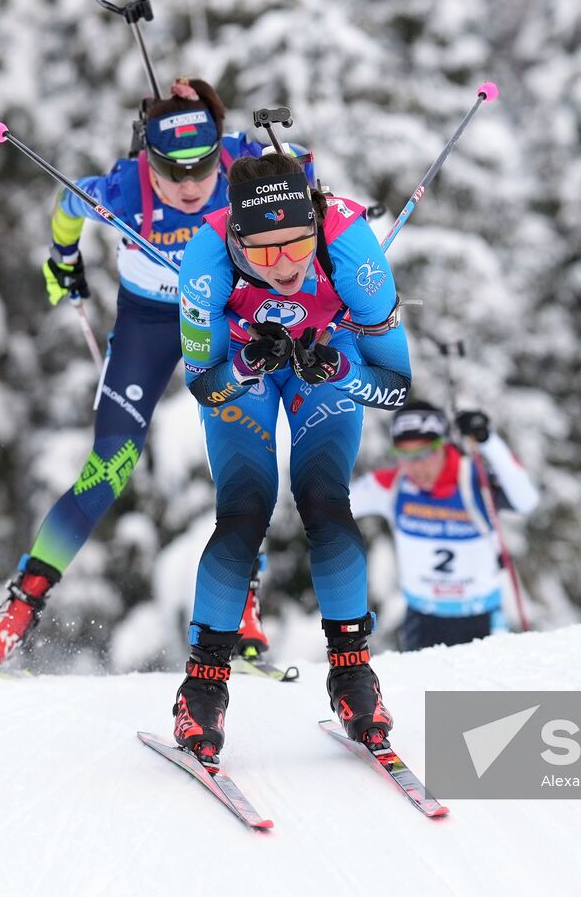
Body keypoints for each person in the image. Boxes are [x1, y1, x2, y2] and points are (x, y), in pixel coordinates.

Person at [0, 78, 284, 670]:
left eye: (202, 170)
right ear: (148, 161)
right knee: (108, 466)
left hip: (221, 318)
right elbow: (66, 208)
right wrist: (64, 260)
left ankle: (242, 602)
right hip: (148, 325)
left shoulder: (246, 166)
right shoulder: (121, 191)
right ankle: (17, 612)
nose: (189, 187)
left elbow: (306, 203)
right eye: (173, 174)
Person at [170, 149, 412, 760]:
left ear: (315, 224)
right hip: (240, 362)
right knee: (245, 508)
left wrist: (336, 370)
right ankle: (202, 688)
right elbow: (203, 382)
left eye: (298, 245)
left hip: (326, 359)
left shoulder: (354, 254)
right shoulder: (205, 257)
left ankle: (354, 675)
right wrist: (249, 361)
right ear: (235, 241)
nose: (283, 266)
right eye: (262, 252)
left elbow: (397, 385)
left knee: (326, 501)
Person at [350, 400, 540, 650]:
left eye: (425, 453)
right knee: (424, 690)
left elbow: (527, 500)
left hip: (481, 617)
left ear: (444, 445)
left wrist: (487, 440)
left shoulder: (475, 479)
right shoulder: (392, 486)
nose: (415, 467)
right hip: (422, 619)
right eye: (404, 456)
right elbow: (330, 504)